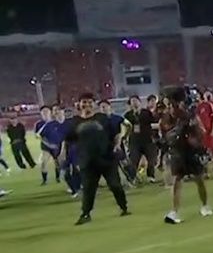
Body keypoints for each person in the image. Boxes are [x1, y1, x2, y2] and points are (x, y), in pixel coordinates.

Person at [64, 94, 129, 225]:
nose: (87, 105)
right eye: (84, 102)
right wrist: (72, 158)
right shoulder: (74, 122)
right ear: (79, 104)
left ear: (94, 104)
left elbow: (116, 133)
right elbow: (69, 141)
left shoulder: (103, 118)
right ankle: (85, 214)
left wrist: (117, 145)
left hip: (107, 159)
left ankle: (123, 207)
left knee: (115, 185)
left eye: (90, 102)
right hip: (87, 161)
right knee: (88, 189)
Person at [161, 87, 213, 224]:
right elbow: (166, 133)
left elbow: (201, 131)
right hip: (177, 151)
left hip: (191, 151)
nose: (168, 105)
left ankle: (205, 205)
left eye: (169, 102)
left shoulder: (188, 114)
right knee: (177, 180)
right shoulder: (169, 116)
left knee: (199, 178)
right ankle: (174, 212)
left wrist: (195, 141)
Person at [124, 95, 160, 183]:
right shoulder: (128, 115)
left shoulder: (146, 113)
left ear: (140, 102)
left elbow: (154, 123)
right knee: (134, 160)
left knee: (151, 159)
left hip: (147, 139)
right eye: (132, 101)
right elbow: (125, 127)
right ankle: (132, 178)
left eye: (136, 100)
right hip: (134, 141)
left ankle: (151, 176)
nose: (134, 103)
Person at [35, 105, 66, 185]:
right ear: (41, 113)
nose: (45, 113)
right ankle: (44, 180)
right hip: (46, 146)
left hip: (57, 146)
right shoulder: (39, 124)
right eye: (43, 112)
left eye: (47, 111)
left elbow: (62, 134)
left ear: (50, 112)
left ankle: (57, 178)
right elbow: (37, 136)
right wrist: (48, 144)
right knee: (44, 162)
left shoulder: (56, 122)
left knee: (57, 163)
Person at [195, 90, 213, 177]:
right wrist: (200, 129)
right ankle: (206, 172)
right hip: (201, 133)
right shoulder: (197, 108)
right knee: (203, 152)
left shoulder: (208, 105)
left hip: (209, 132)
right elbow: (198, 119)